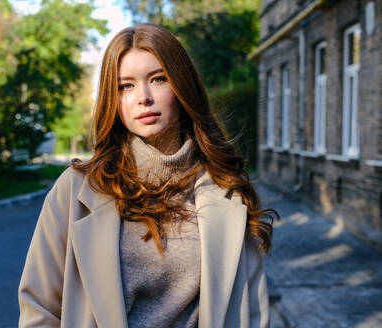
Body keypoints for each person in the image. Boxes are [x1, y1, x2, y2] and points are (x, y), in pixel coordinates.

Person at [18, 23, 278, 328]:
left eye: (158, 79)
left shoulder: (227, 188)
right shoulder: (75, 190)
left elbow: (253, 313)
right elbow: (39, 308)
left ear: (182, 87)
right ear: (112, 99)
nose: (143, 97)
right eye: (125, 86)